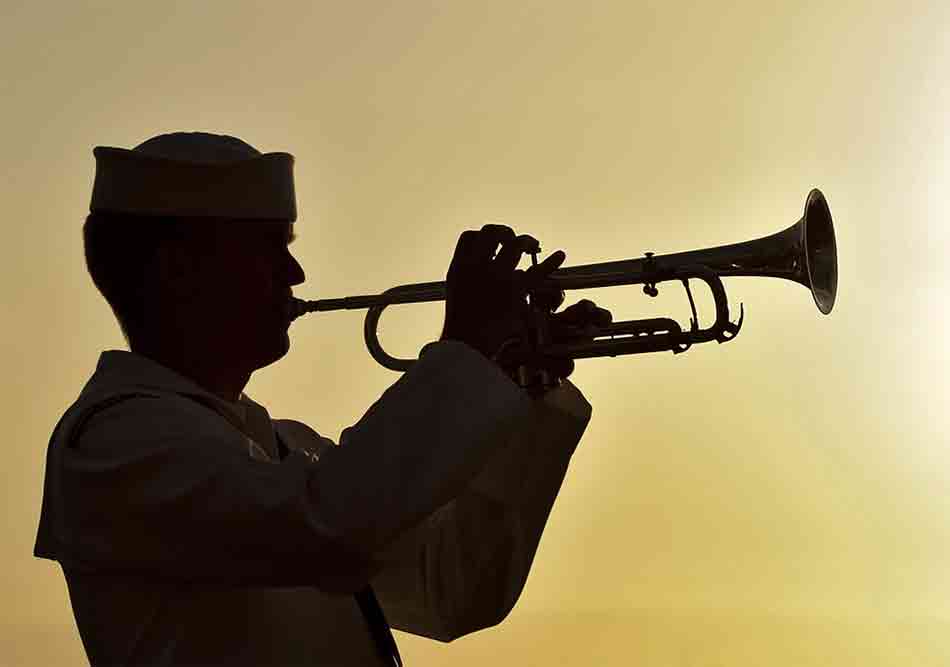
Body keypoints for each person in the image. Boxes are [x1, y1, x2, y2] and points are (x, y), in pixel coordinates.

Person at [33, 131, 612, 666]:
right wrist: (463, 350)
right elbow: (329, 521)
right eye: (268, 248)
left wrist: (519, 384)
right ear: (181, 269)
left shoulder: (285, 447)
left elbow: (451, 592)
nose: (296, 271)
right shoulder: (113, 441)